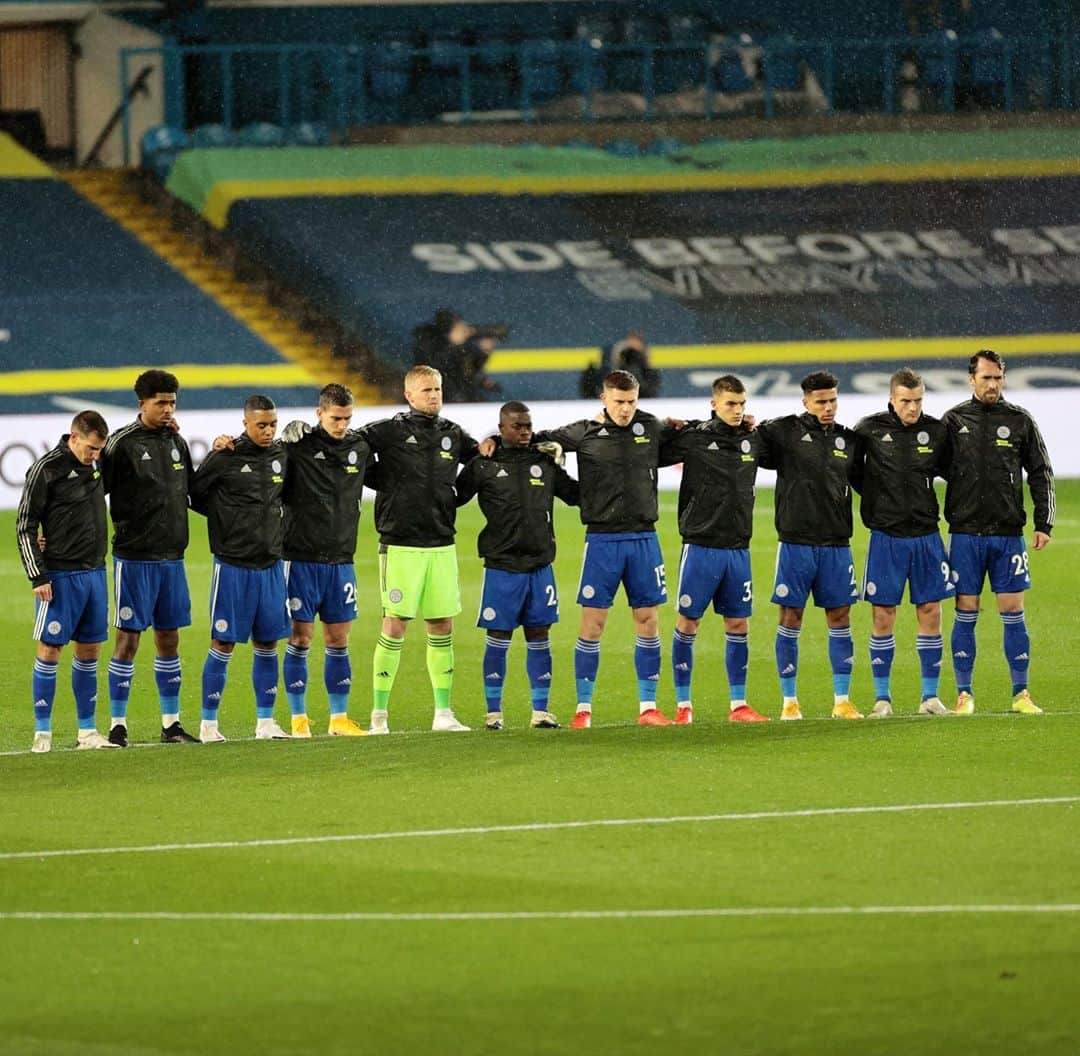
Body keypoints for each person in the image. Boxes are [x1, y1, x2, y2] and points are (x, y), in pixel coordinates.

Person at [537, 369, 678, 729]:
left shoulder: (650, 426)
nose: (626, 408)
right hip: (601, 540)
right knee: (593, 624)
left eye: (631, 401)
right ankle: (583, 709)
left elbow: (687, 434)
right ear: (604, 398)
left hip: (645, 538)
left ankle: (648, 708)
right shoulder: (582, 432)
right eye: (619, 401)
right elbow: (534, 443)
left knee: (648, 623)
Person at [360, 364, 480, 733]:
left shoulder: (453, 434)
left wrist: (456, 497)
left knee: (441, 624)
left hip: (441, 542)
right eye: (427, 390)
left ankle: (443, 713)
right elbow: (350, 448)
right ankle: (379, 715)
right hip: (400, 543)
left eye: (438, 389)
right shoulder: (388, 430)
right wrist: (386, 484)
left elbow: (481, 459)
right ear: (409, 395)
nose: (434, 396)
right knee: (395, 625)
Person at [942, 349, 1055, 715]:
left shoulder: (1019, 420)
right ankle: (964, 694)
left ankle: (1021, 694)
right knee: (966, 610)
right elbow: (926, 468)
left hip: (1008, 534)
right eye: (986, 378)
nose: (992, 384)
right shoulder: (954, 420)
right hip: (965, 533)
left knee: (1012, 609)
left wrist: (1044, 522)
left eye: (997, 378)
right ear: (971, 379)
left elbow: (1041, 471)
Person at [455, 401, 579, 730]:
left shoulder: (544, 461)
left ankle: (541, 711)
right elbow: (453, 497)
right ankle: (493, 713)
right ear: (501, 427)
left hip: (540, 565)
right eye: (517, 426)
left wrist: (565, 461)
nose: (525, 431)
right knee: (499, 635)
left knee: (539, 633)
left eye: (528, 425)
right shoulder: (484, 464)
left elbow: (576, 495)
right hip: (502, 565)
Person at [659, 375, 767, 723]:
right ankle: (683, 705)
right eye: (731, 404)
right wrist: (668, 425)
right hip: (701, 545)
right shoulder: (694, 438)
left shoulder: (753, 439)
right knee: (689, 623)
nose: (737, 411)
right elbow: (648, 448)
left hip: (738, 547)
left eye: (741, 404)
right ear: (714, 403)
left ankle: (739, 705)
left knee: (738, 625)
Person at [99, 369, 198, 747]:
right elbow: (94, 494)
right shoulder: (121, 444)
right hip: (134, 558)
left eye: (173, 402)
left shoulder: (178, 443)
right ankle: (117, 724)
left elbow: (193, 491)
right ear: (142, 404)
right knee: (127, 640)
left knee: (169, 639)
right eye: (161, 403)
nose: (169, 409)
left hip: (173, 558)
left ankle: (171, 724)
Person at [755, 371, 862, 720]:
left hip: (836, 543)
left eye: (832, 400)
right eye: (820, 402)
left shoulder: (849, 441)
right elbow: (747, 445)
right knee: (791, 616)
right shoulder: (783, 432)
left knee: (841, 616)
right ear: (805, 402)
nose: (828, 408)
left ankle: (842, 700)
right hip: (796, 543)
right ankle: (789, 702)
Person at [851, 367, 953, 718]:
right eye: (906, 401)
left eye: (918, 401)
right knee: (883, 615)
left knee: (931, 611)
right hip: (887, 537)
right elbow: (852, 473)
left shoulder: (937, 431)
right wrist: (880, 500)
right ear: (892, 399)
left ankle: (930, 697)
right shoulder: (869, 430)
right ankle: (882, 699)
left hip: (926, 535)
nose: (913, 408)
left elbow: (952, 473)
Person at [189, 395, 291, 742]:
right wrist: (228, 520)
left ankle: (266, 723)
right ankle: (208, 725)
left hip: (271, 566)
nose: (268, 431)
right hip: (233, 565)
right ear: (245, 423)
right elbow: (195, 495)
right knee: (224, 642)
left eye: (273, 424)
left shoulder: (281, 456)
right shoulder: (226, 457)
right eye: (261, 425)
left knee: (268, 643)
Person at [17, 410, 117, 752]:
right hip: (59, 576)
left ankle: (87, 733)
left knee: (89, 651)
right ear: (74, 437)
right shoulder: (47, 469)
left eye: (99, 450)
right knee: (50, 649)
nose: (95, 456)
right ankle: (42, 733)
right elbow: (25, 526)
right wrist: (38, 575)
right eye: (90, 448)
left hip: (95, 573)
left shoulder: (98, 464)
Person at [278, 384, 373, 738]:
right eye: (336, 418)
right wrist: (282, 441)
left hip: (341, 560)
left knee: (338, 640)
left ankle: (339, 719)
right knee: (300, 639)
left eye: (348, 418)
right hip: (299, 558)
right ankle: (299, 719)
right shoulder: (298, 446)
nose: (342, 425)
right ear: (319, 413)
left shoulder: (359, 447)